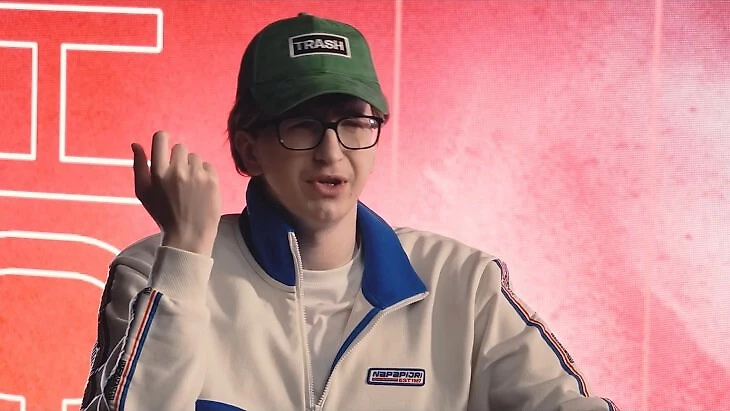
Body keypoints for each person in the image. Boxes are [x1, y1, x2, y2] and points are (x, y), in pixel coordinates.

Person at [80, 12, 618, 411]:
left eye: (355, 123)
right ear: (248, 149)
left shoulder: (462, 284)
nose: (332, 151)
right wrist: (184, 255)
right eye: (303, 124)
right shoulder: (154, 273)